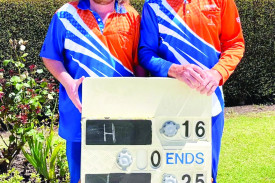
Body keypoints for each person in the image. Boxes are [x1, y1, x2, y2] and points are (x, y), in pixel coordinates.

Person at [138, 0, 245, 182]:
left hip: (210, 105)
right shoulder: (153, 5)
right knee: (166, 175)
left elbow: (235, 43)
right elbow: (145, 53)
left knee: (204, 176)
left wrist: (217, 73)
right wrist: (174, 69)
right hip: (167, 107)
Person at [40, 0, 141, 182]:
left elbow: (138, 63)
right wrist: (68, 82)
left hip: (122, 116)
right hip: (80, 113)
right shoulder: (65, 14)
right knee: (82, 178)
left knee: (122, 175)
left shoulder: (131, 15)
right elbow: (50, 56)